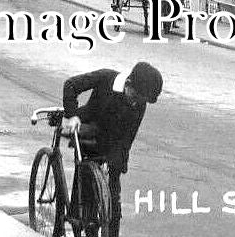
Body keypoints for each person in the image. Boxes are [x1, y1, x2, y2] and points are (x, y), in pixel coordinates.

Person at [61, 62, 163, 237]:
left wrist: (115, 169)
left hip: (112, 143)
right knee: (86, 189)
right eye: (136, 96)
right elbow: (70, 85)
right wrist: (72, 116)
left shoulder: (139, 102)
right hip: (89, 132)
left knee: (114, 201)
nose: (135, 102)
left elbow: (127, 139)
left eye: (141, 100)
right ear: (128, 83)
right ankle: (80, 217)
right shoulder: (106, 78)